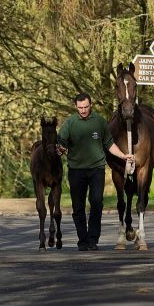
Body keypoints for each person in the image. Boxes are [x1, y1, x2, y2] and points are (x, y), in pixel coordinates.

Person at [57, 92, 133, 251]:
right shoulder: (70, 123)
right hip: (76, 171)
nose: (83, 110)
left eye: (85, 107)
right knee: (78, 207)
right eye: (80, 108)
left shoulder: (99, 122)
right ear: (76, 107)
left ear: (90, 105)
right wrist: (60, 148)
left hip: (96, 169)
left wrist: (123, 155)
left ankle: (93, 240)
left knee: (97, 203)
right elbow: (60, 143)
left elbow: (109, 144)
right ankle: (83, 241)